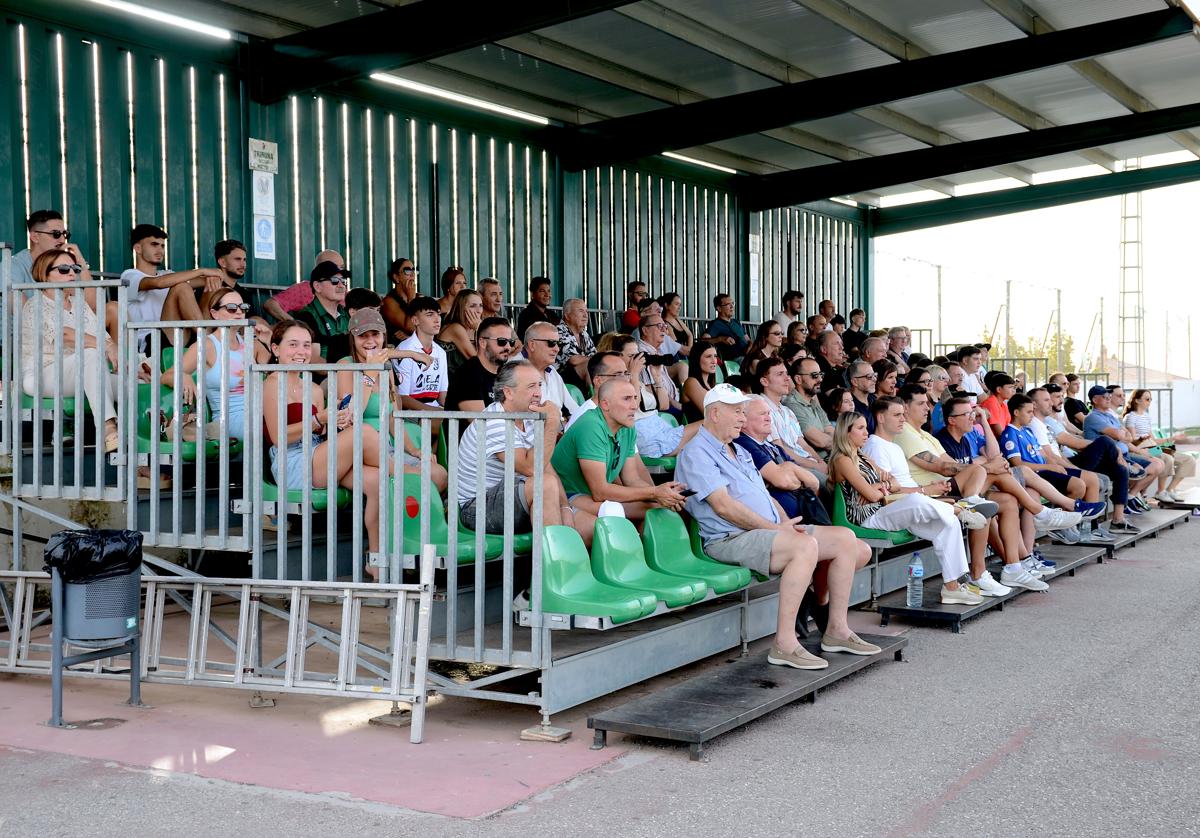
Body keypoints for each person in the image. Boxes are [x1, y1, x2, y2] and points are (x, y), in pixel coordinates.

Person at [678, 383, 882, 669]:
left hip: (768, 531)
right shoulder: (696, 452)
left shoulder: (738, 449)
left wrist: (784, 522)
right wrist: (776, 530)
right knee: (804, 546)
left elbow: (763, 495)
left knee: (847, 539)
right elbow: (724, 506)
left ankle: (836, 630)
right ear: (714, 414)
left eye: (742, 411)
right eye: (736, 412)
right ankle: (784, 644)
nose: (741, 417)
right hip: (730, 538)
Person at [263, 320, 385, 579]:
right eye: (293, 344)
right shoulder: (272, 383)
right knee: (363, 433)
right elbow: (278, 437)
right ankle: (410, 472)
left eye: (306, 345)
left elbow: (323, 433)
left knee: (376, 481)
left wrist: (337, 421)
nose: (301, 351)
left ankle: (375, 558)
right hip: (293, 461)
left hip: (319, 453)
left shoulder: (315, 389)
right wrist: (321, 420)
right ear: (275, 349)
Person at [834, 406, 984, 605]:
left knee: (947, 524)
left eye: (865, 427)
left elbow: (892, 484)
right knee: (917, 500)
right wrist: (881, 488)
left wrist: (882, 487)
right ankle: (958, 510)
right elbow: (871, 494)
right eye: (860, 429)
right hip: (866, 519)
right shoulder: (842, 460)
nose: (866, 432)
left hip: (882, 509)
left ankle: (952, 587)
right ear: (846, 432)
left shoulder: (862, 456)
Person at [457, 359, 592, 539]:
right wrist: (552, 422)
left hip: (519, 498)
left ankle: (562, 560)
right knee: (544, 483)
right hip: (477, 508)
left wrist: (564, 507)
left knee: (592, 528)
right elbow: (532, 468)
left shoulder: (527, 417)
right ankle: (555, 563)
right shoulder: (494, 421)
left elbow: (545, 466)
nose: (538, 393)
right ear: (508, 392)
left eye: (539, 385)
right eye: (531, 387)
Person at [332, 308, 448, 492]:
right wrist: (370, 373)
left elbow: (392, 417)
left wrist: (414, 450)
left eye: (375, 335)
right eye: (363, 336)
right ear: (353, 338)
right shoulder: (345, 365)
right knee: (420, 477)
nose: (370, 341)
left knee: (439, 474)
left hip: (389, 446)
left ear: (383, 337)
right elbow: (351, 415)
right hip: (360, 451)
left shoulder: (386, 369)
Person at [552, 380, 687, 529]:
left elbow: (632, 479)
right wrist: (654, 493)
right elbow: (600, 491)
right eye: (626, 398)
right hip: (566, 496)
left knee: (661, 508)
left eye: (635, 398)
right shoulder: (591, 426)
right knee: (616, 512)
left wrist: (665, 494)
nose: (634, 406)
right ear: (605, 404)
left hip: (594, 496)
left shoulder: (627, 427)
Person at [20, 250, 119, 451]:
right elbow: (65, 336)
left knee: (137, 384)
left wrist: (131, 363)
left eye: (74, 269)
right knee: (91, 354)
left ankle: (146, 455)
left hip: (81, 371)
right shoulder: (35, 304)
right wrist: (107, 346)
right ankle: (108, 427)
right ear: (44, 274)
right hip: (42, 375)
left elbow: (104, 337)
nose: (72, 274)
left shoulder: (78, 303)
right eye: (64, 270)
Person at [161, 287, 271, 439]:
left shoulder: (253, 344)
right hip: (231, 422)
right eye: (231, 308)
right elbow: (167, 375)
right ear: (215, 314)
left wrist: (269, 342)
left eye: (243, 307)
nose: (239, 312)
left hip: (262, 414)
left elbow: (278, 376)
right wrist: (182, 376)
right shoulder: (207, 345)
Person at [1042, 384, 1137, 534]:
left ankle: (1118, 520)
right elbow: (1073, 442)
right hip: (1066, 462)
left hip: (1071, 458)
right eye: (1056, 397)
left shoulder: (1055, 419)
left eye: (1061, 396)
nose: (1061, 400)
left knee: (1120, 470)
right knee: (1105, 441)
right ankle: (1090, 528)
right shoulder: (1044, 422)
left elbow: (1076, 440)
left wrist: (1108, 446)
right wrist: (1110, 446)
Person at [115, 224, 223, 348]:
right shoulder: (130, 275)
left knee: (210, 288)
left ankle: (210, 339)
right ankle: (211, 343)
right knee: (181, 287)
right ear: (138, 248)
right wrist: (201, 271)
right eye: (154, 244)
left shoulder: (168, 275)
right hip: (151, 341)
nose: (160, 250)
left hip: (178, 334)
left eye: (162, 246)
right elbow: (158, 283)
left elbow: (202, 282)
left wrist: (215, 276)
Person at [736, 395, 824, 516]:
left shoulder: (775, 448)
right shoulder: (743, 443)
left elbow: (811, 481)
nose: (769, 418)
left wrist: (792, 473)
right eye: (762, 414)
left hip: (803, 515)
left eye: (768, 413)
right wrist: (790, 469)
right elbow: (783, 481)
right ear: (743, 420)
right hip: (781, 522)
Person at [1083, 385, 1161, 512]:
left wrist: (1122, 435)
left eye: (1109, 396)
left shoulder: (1110, 416)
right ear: (1095, 400)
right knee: (1125, 470)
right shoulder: (1093, 417)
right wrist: (1121, 435)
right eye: (1104, 397)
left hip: (1125, 453)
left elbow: (1128, 437)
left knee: (1154, 465)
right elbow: (1119, 434)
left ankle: (1131, 497)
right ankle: (1125, 505)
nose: (1108, 399)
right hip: (1106, 458)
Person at [12, 210, 97, 313]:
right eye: (56, 234)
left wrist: (80, 260)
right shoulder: (14, 265)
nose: (62, 240)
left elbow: (91, 305)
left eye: (65, 234)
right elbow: (27, 314)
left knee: (113, 308)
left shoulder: (68, 265)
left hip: (66, 321)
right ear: (35, 237)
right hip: (36, 326)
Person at [756, 357, 826, 479]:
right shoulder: (762, 409)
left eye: (787, 374)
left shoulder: (787, 411)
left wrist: (820, 462)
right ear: (764, 381)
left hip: (808, 464)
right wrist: (815, 466)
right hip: (792, 468)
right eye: (780, 374)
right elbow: (780, 449)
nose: (787, 378)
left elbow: (803, 444)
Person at [1123, 388, 1196, 503]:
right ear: (1137, 400)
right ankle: (1160, 492)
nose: (1149, 401)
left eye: (1150, 399)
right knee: (1167, 457)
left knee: (1189, 460)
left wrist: (1171, 439)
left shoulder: (1146, 416)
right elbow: (1132, 440)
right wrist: (1145, 440)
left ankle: (1170, 489)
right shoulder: (1130, 417)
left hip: (1152, 446)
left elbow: (1153, 440)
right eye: (1147, 399)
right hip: (1142, 448)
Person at [394, 296, 448, 429]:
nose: (437, 319)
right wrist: (438, 413)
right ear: (415, 320)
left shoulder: (441, 352)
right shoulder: (404, 350)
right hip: (409, 414)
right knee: (442, 425)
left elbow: (442, 396)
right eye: (430, 314)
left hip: (435, 411)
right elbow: (403, 398)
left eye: (439, 314)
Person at [446, 316, 514, 413]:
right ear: (483, 342)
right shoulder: (467, 373)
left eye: (511, 342)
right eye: (502, 341)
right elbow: (480, 422)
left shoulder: (507, 373)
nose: (508, 347)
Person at [262, 250, 343, 322]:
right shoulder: (305, 289)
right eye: (334, 267)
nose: (340, 271)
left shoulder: (343, 290)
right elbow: (270, 304)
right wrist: (295, 325)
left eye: (341, 267)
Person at [523, 320, 581, 420]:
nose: (557, 349)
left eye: (558, 343)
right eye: (551, 343)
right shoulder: (515, 371)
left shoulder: (552, 372)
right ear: (532, 345)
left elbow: (573, 410)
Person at [293, 260, 350, 361]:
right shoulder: (305, 317)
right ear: (317, 286)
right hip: (325, 376)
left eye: (343, 281)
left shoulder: (348, 314)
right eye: (334, 280)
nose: (341, 286)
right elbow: (314, 362)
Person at [198, 240, 256, 315]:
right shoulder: (209, 287)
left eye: (244, 260)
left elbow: (252, 318)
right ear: (223, 262)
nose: (243, 264)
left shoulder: (244, 293)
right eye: (237, 259)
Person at [436, 288, 482, 376]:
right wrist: (480, 329)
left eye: (481, 305)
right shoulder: (455, 328)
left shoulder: (473, 328)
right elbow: (478, 363)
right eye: (473, 306)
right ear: (461, 308)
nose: (478, 310)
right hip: (450, 383)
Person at [555, 298, 596, 388]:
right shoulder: (559, 331)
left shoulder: (584, 334)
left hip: (579, 378)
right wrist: (592, 358)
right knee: (587, 366)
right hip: (560, 379)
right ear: (567, 316)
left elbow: (595, 357)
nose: (585, 315)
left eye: (586, 311)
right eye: (581, 311)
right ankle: (594, 398)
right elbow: (573, 360)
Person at [682, 340, 724, 423]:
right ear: (697, 360)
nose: (714, 361)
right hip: (699, 433)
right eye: (708, 356)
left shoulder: (711, 385)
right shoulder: (691, 382)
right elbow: (712, 412)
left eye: (715, 356)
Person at [702, 293, 748, 361]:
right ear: (719, 308)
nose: (732, 306)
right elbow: (703, 341)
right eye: (728, 304)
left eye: (732, 303)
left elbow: (748, 340)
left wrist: (751, 346)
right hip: (736, 359)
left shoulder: (736, 322)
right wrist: (720, 339)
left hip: (749, 355)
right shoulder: (716, 324)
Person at [380, 257, 417, 339]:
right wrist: (411, 299)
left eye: (413, 270)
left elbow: (430, 327)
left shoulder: (419, 296)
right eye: (407, 271)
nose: (412, 274)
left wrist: (410, 336)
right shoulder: (388, 302)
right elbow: (411, 328)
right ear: (396, 277)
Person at [659, 291, 694, 357]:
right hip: (678, 356)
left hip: (688, 353)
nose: (679, 307)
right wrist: (690, 352)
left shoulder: (677, 319)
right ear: (667, 305)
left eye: (680, 305)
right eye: (676, 304)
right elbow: (676, 344)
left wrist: (690, 350)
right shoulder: (666, 324)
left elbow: (690, 335)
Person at [847, 360, 877, 432]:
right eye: (869, 377)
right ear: (855, 382)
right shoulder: (849, 406)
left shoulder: (874, 400)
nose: (874, 379)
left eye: (875, 375)